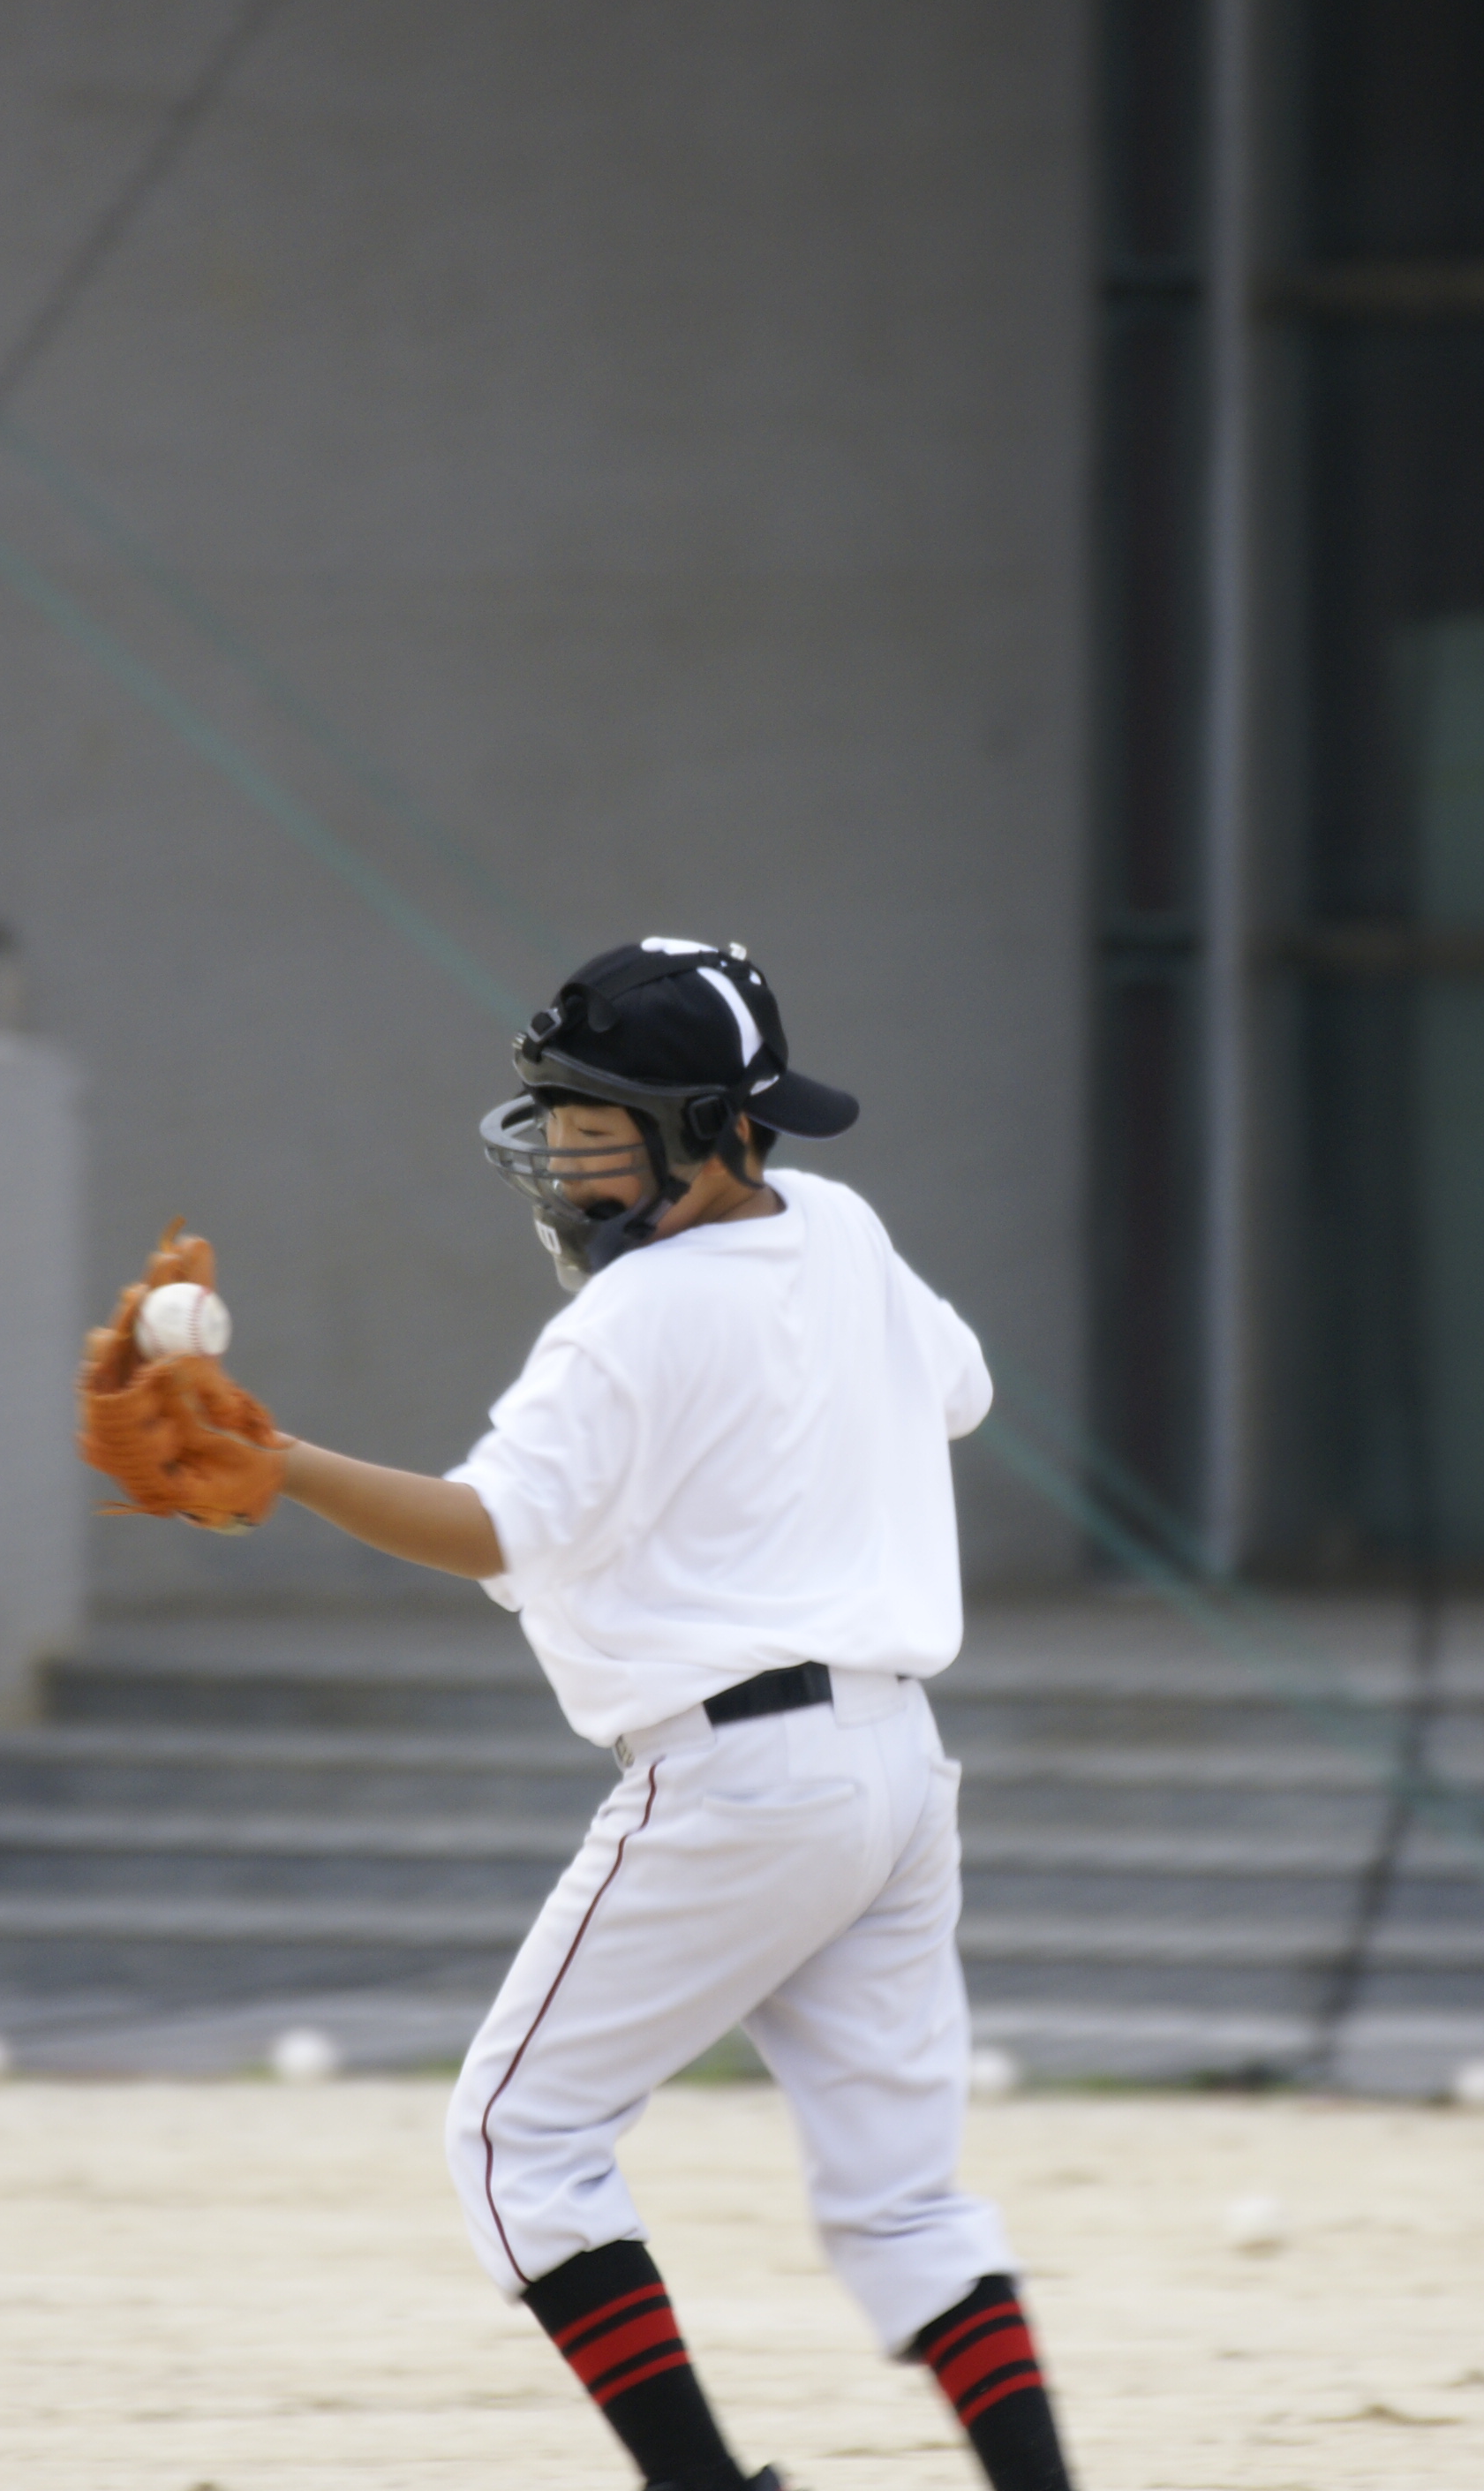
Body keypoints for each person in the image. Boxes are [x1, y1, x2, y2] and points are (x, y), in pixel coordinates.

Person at [267, 937, 1074, 2491]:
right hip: (896, 1772)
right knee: (903, 2203)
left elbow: (488, 1529)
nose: (565, 1158)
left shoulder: (628, 1318)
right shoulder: (840, 1224)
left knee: (516, 2141)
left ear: (717, 1128)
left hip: (742, 1782)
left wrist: (279, 1464)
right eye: (559, 1123)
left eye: (599, 1127)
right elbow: (959, 1390)